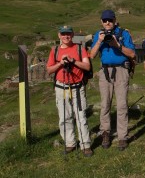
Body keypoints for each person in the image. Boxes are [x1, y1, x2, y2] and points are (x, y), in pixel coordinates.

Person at [90, 10, 135, 151]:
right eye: (105, 20)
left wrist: (117, 44)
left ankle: (122, 136)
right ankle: (105, 133)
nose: (107, 23)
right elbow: (91, 55)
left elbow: (132, 53)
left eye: (110, 20)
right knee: (105, 104)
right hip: (104, 72)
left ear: (115, 20)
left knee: (121, 105)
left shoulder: (123, 34)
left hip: (121, 70)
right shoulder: (99, 34)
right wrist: (99, 41)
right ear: (101, 22)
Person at [46, 25, 93, 157]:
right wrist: (60, 63)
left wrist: (73, 61)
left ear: (72, 35)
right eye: (63, 34)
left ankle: (86, 145)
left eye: (68, 34)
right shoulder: (54, 50)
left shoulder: (79, 48)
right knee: (64, 117)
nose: (66, 36)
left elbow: (87, 66)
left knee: (81, 116)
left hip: (78, 87)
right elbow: (49, 70)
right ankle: (70, 143)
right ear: (59, 35)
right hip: (61, 87)